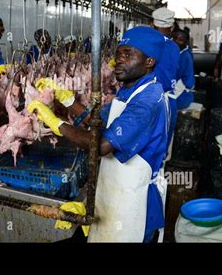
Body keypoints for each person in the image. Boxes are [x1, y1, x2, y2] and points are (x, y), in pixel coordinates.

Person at [28, 27, 169, 242]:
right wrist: (65, 99)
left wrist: (56, 124)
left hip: (135, 205)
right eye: (119, 53)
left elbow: (102, 144)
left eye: (128, 54)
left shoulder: (148, 100)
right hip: (115, 195)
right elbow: (96, 122)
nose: (119, 60)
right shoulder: (130, 90)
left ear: (149, 61)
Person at [151, 7, 180, 151]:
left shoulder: (147, 45)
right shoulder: (175, 47)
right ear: (172, 27)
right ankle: (158, 170)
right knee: (161, 146)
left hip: (150, 100)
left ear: (152, 25)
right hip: (169, 101)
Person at [172, 29, 195, 110]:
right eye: (174, 38)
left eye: (180, 40)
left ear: (186, 42)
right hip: (182, 94)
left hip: (181, 97)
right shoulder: (181, 53)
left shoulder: (185, 57)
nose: (176, 42)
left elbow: (175, 76)